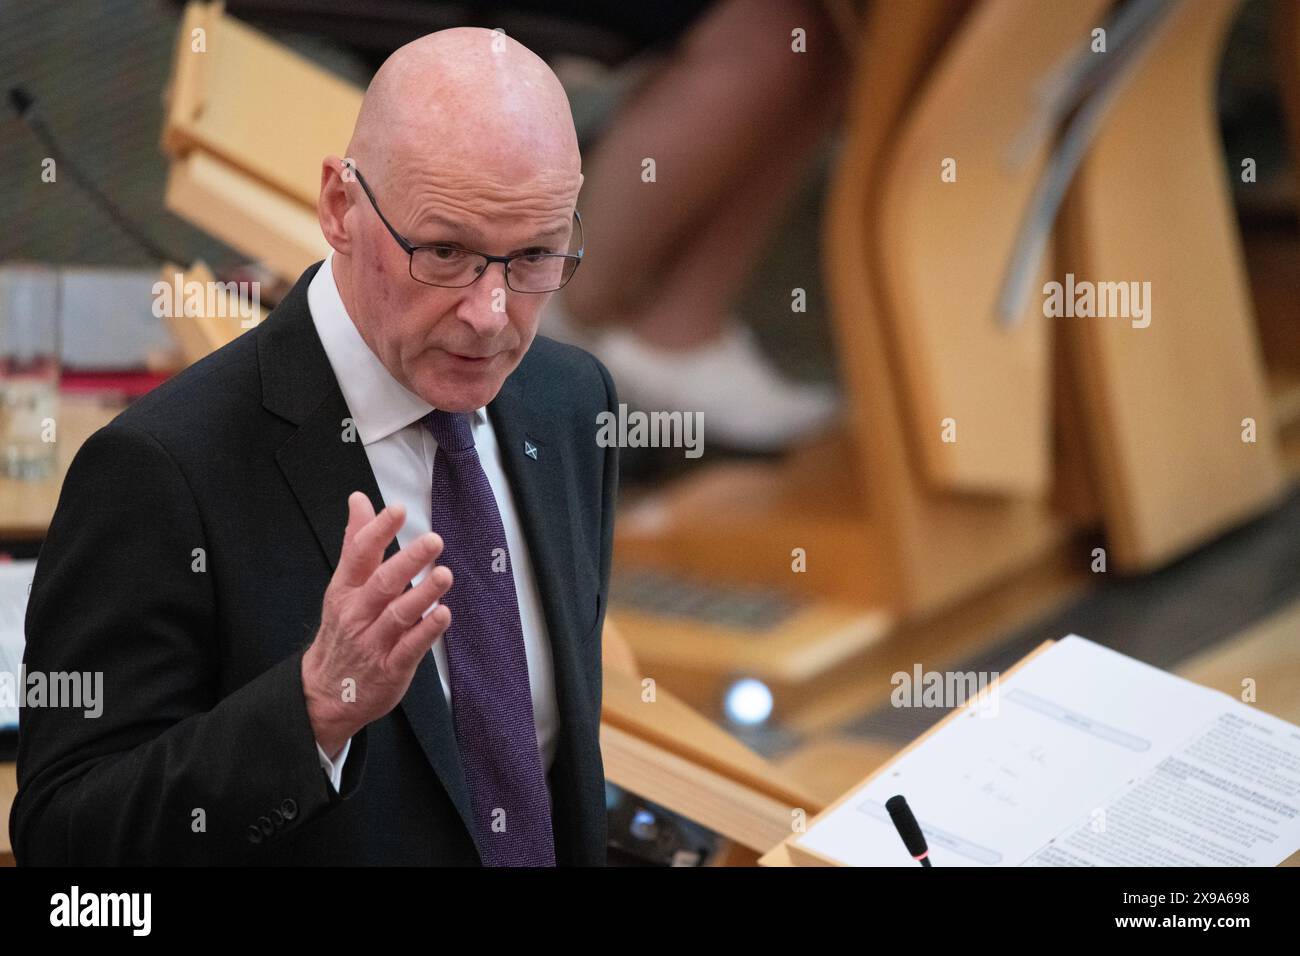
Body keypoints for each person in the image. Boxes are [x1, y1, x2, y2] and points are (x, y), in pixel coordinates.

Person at [10, 27, 615, 866]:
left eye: (536, 256)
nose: (491, 314)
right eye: (445, 252)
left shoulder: (571, 403)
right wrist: (312, 709)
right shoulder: (161, 472)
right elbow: (67, 841)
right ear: (339, 206)